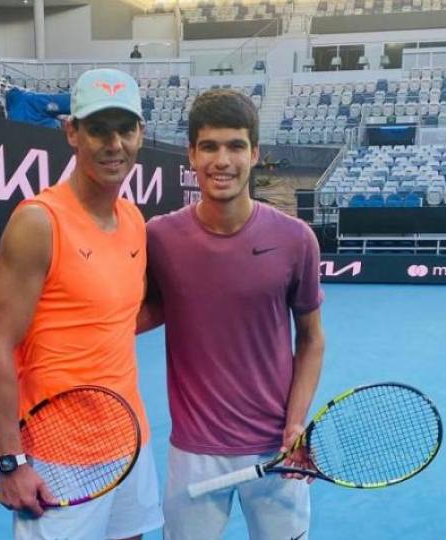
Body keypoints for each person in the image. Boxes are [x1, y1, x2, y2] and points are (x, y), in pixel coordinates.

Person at [0, 68, 162, 540]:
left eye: (125, 129)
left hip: (128, 438)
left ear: (141, 134)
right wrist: (11, 461)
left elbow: (115, 318)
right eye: (99, 128)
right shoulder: (39, 222)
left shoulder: (133, 219)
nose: (113, 143)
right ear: (72, 132)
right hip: (58, 456)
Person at [140, 89, 326, 539]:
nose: (222, 160)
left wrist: (296, 421)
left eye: (235, 146)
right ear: (191, 154)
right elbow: (136, 313)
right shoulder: (158, 238)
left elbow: (312, 339)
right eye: (209, 146)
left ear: (255, 153)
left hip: (276, 448)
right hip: (193, 452)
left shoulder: (296, 239)